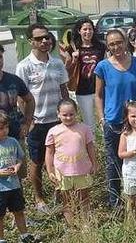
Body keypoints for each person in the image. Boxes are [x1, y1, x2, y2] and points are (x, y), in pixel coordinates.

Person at [17, 24, 70, 213]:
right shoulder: (24, 66)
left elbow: (64, 90)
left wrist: (68, 116)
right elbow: (22, 98)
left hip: (58, 122)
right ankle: (39, 199)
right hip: (37, 123)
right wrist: (27, 121)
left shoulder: (57, 63)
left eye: (46, 37)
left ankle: (60, 194)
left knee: (60, 159)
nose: (44, 41)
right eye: (39, 39)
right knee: (37, 161)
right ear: (31, 41)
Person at [94, 29, 136, 209]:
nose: (116, 47)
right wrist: (102, 118)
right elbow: (99, 95)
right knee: (113, 162)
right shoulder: (103, 67)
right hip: (114, 122)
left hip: (135, 122)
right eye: (112, 44)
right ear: (108, 46)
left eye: (119, 42)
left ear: (125, 42)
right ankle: (115, 201)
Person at [45, 99, 96, 223]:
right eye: (64, 115)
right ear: (58, 114)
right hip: (62, 172)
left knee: (84, 198)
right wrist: (50, 170)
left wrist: (94, 163)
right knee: (67, 200)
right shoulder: (53, 131)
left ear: (76, 113)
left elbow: (90, 147)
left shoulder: (84, 128)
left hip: (82, 170)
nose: (68, 117)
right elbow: (49, 152)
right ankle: (71, 226)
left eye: (71, 114)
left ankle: (85, 223)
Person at [59, 17, 105, 129]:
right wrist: (73, 60)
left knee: (104, 119)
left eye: (90, 29)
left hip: (101, 89)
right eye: (85, 29)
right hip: (83, 90)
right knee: (89, 123)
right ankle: (91, 144)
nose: (88, 32)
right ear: (79, 31)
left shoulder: (101, 47)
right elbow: (66, 72)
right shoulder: (73, 48)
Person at [0, 112, 36, 243]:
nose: (3, 131)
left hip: (14, 185)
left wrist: (17, 167)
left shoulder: (13, 142)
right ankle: (1, 241)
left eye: (5, 128)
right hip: (1, 189)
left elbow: (20, 157)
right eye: (0, 129)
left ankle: (24, 235)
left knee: (19, 211)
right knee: (0, 216)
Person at [0, 44, 35, 143]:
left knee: (20, 159)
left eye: (0, 57)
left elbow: (29, 100)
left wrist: (27, 123)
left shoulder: (14, 80)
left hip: (15, 137)